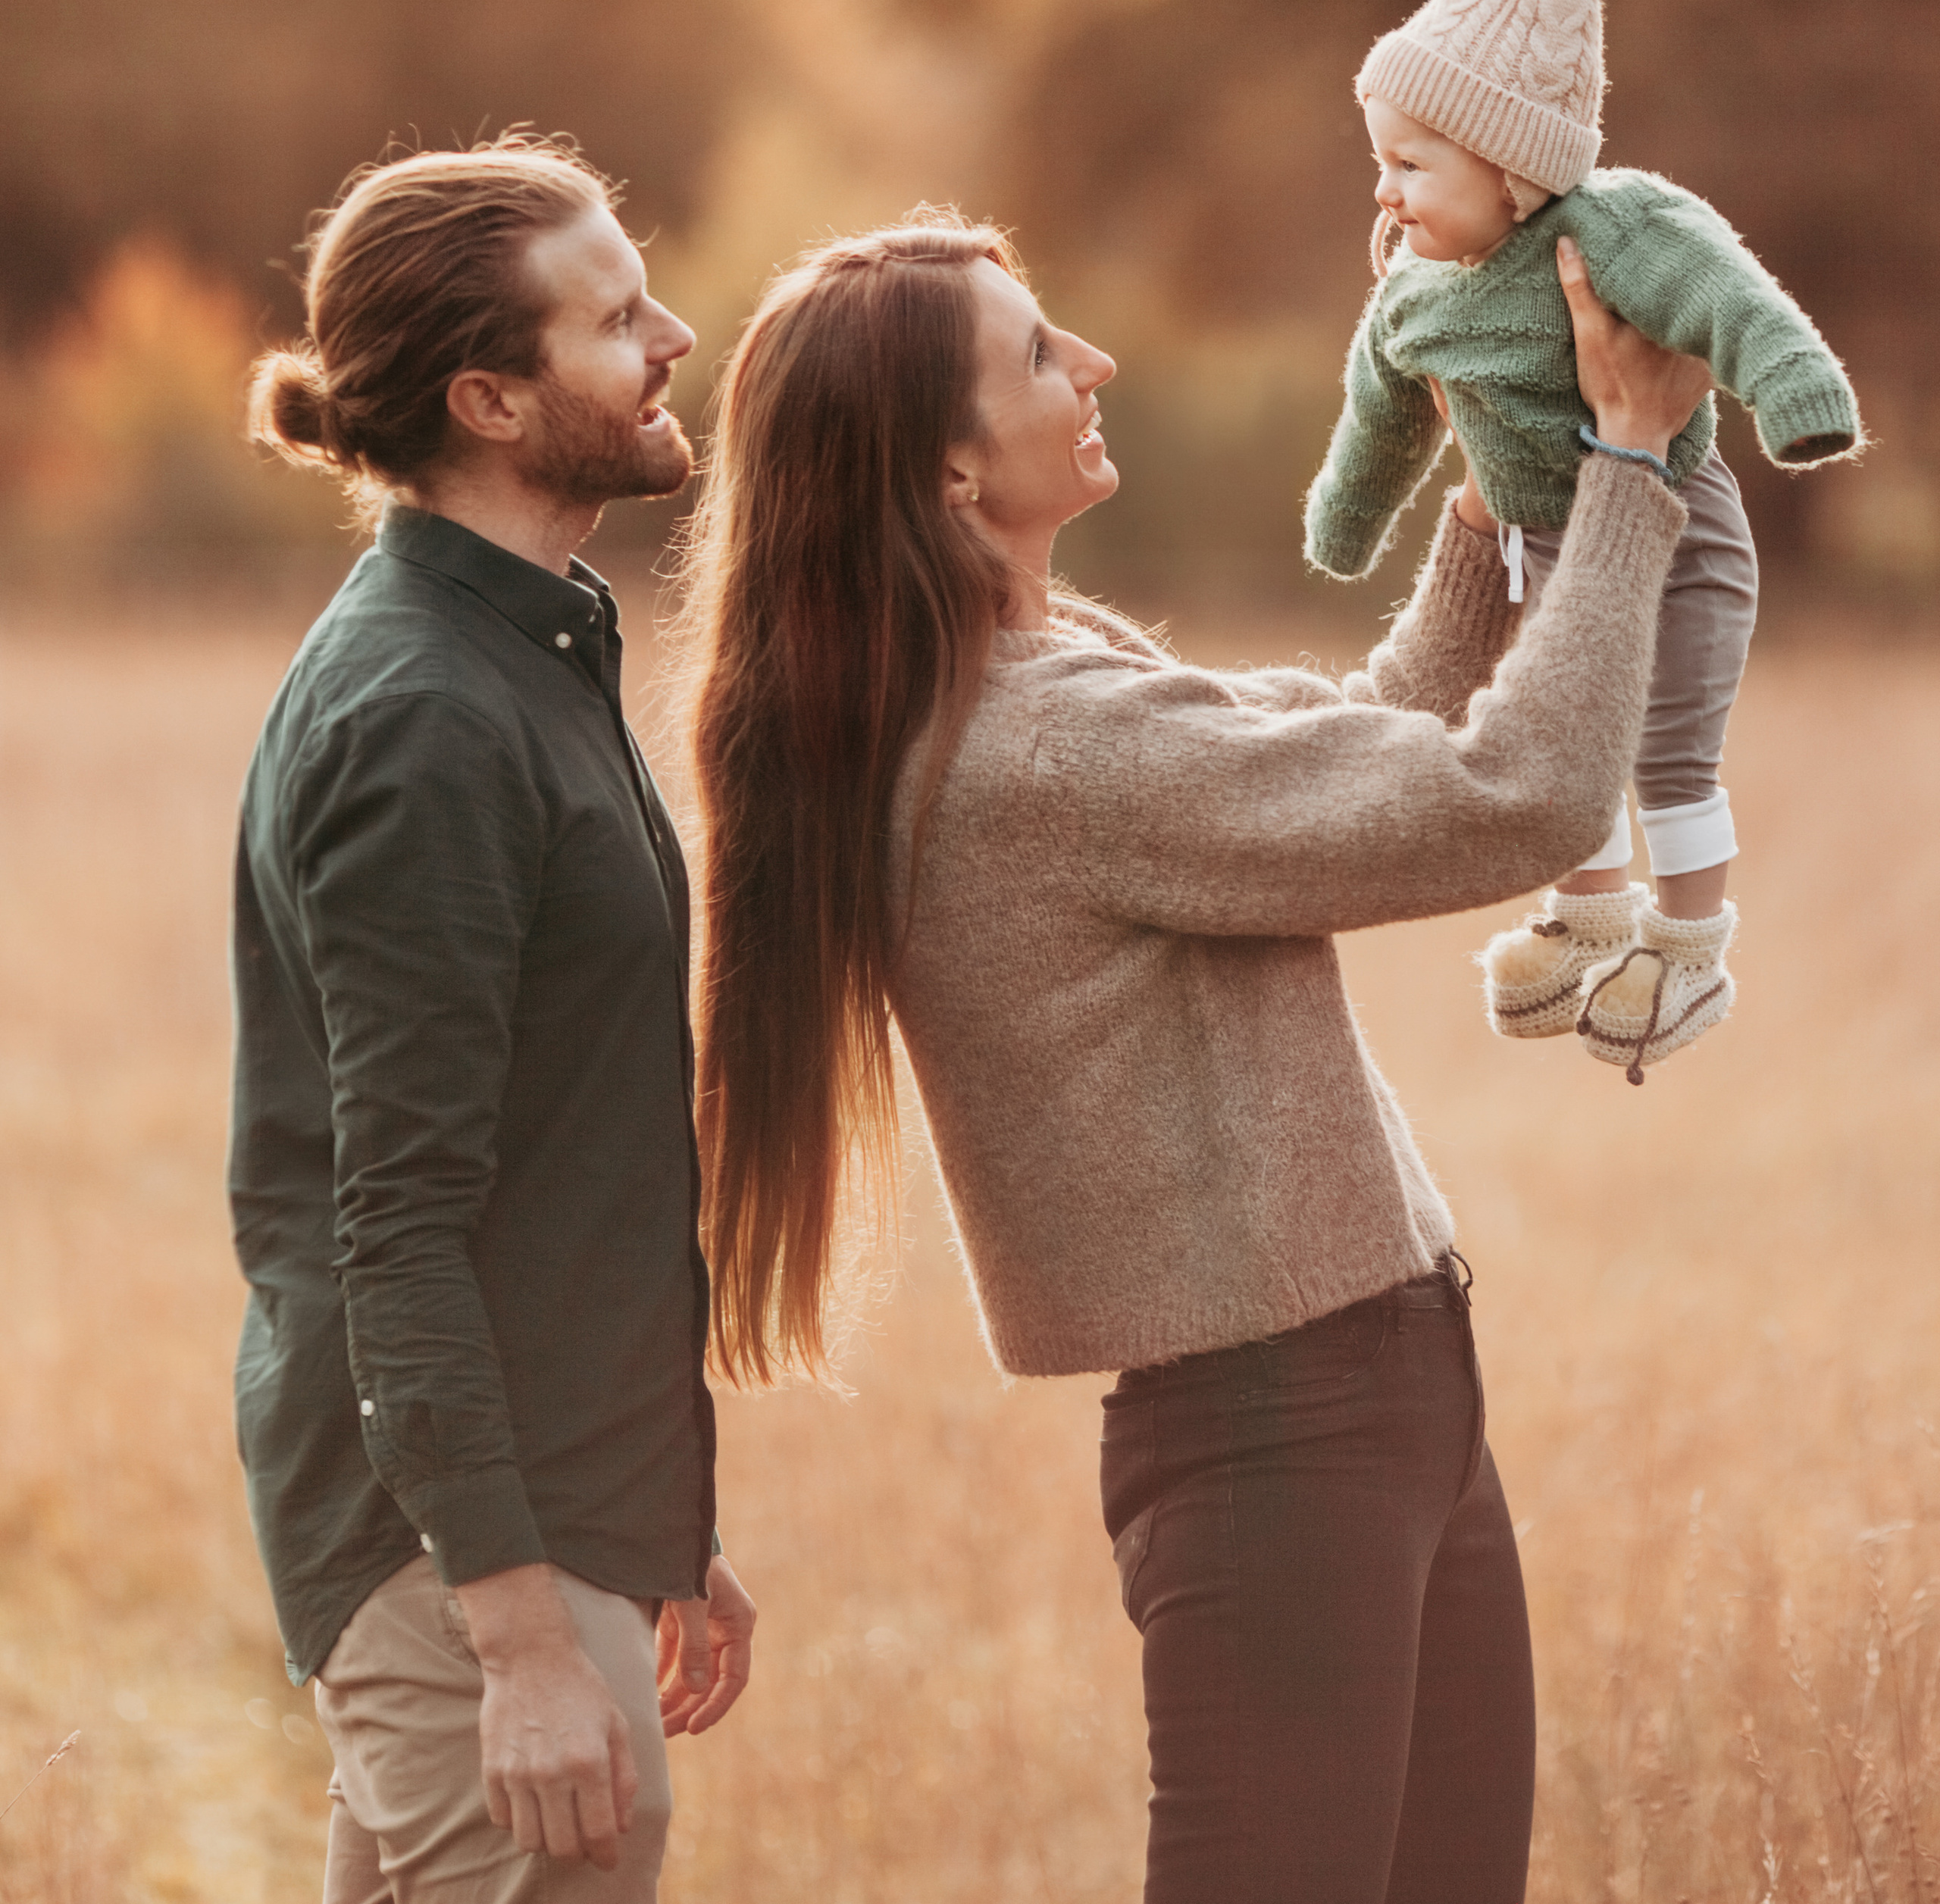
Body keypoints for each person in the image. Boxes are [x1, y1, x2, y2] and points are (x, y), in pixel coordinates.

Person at [677, 205, 1710, 1902]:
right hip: (1283, 1435)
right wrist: (1628, 466)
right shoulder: (1037, 745)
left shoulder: (1036, 681)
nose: (1091, 362)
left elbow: (1354, 741)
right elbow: (1513, 797)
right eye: (1035, 350)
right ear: (947, 471)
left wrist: (1487, 490)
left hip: (1366, 1399)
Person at [232, 133, 753, 1904]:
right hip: (451, 1544)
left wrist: (655, 1511)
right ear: (491, 400)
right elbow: (392, 1219)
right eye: (615, 319)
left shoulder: (528, 643)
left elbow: (557, 1137)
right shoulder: (428, 718)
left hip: (539, 1500)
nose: (672, 337)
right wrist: (522, 1638)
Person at [1303, 0, 1861, 1080]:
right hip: (1538, 547)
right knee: (1559, 733)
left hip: (1675, 528)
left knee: (1667, 746)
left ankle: (1689, 943)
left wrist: (1799, 397)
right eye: (1381, 160)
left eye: (1412, 164)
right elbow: (1382, 414)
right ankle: (1590, 914)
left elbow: (1730, 297)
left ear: (1510, 165)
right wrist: (1348, 517)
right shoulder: (1413, 291)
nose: (1385, 190)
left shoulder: (1613, 232)